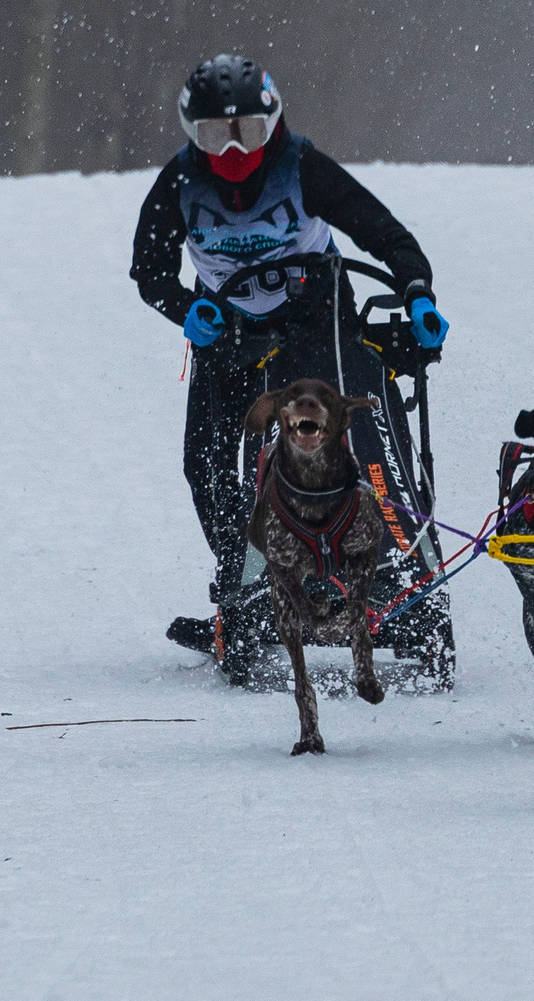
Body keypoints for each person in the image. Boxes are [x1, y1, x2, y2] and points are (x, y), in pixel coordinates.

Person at [131, 53, 448, 678]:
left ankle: (394, 570)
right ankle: (240, 580)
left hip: (317, 318)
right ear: (191, 135)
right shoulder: (179, 184)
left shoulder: (302, 166)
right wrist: (187, 311)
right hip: (228, 332)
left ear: (272, 122)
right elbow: (148, 271)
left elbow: (389, 238)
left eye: (246, 131)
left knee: (342, 439)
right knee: (207, 461)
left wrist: (417, 293)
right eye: (213, 136)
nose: (231, 151)